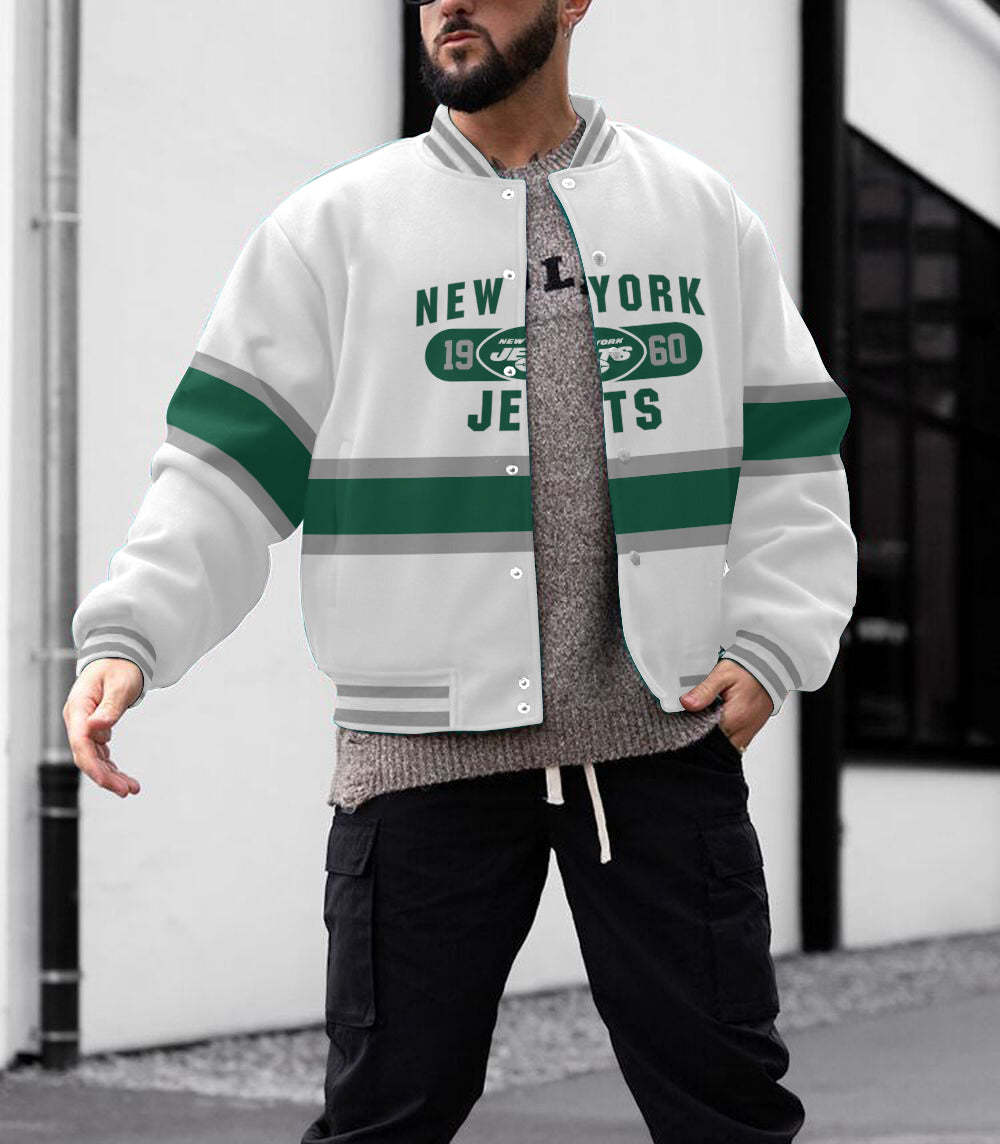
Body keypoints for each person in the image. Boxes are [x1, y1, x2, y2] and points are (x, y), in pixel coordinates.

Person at [64, 0, 857, 1139]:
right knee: (385, 1119)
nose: (449, 3)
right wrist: (131, 633)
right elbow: (222, 466)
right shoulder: (333, 227)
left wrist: (773, 642)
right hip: (419, 756)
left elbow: (792, 450)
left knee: (729, 1115)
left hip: (660, 743)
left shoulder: (697, 212)